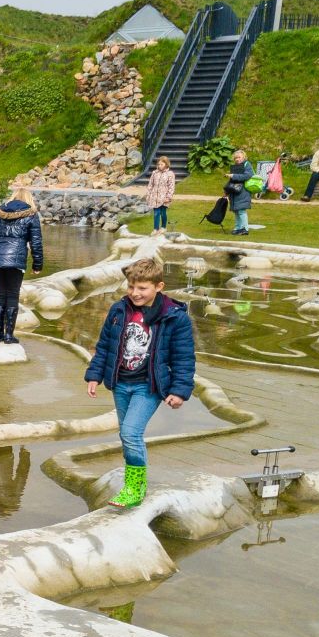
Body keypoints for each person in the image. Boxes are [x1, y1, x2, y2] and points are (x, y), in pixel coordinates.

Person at [83, 257, 195, 509]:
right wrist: (94, 374)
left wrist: (179, 390)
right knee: (127, 436)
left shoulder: (174, 318)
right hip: (121, 382)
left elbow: (184, 357)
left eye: (142, 288)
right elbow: (104, 346)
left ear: (159, 286)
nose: (135, 293)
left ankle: (134, 487)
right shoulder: (119, 310)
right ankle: (136, 480)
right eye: (131, 287)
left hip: (149, 385)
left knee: (130, 433)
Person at [0, 188, 44, 344]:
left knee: (0, 294)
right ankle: (9, 336)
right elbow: (36, 243)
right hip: (16, 260)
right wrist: (37, 264)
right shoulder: (31, 215)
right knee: (12, 295)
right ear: (29, 199)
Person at [145, 156, 175, 235]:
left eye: (161, 164)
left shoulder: (170, 174)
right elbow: (150, 184)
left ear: (166, 164)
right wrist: (148, 195)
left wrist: (168, 197)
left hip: (164, 198)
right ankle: (155, 229)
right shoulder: (154, 173)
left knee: (163, 213)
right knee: (156, 213)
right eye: (158, 164)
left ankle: (164, 227)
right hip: (155, 197)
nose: (159, 166)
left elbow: (171, 187)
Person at [226, 149, 253, 236]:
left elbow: (248, 175)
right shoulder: (235, 167)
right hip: (235, 191)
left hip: (243, 192)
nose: (237, 159)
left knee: (241, 211)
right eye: (235, 158)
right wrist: (226, 190)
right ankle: (238, 228)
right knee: (236, 211)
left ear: (244, 157)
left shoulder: (247, 164)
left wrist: (233, 175)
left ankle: (245, 229)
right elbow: (232, 180)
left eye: (239, 157)